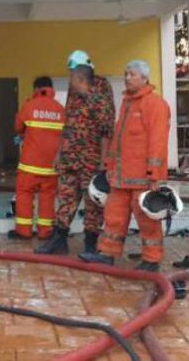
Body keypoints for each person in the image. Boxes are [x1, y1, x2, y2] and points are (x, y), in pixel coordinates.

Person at [79, 60, 171, 271]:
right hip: (119, 178)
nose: (127, 78)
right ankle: (107, 253)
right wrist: (108, 167)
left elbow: (158, 142)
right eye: (126, 73)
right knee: (113, 218)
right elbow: (118, 141)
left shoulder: (154, 104)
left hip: (141, 179)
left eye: (132, 74)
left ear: (145, 78)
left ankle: (152, 259)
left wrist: (155, 175)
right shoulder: (127, 104)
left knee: (147, 221)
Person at [36, 50, 115, 255]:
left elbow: (107, 130)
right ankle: (59, 239)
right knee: (65, 197)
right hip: (70, 156)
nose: (69, 78)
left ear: (82, 73)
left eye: (72, 73)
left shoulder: (101, 90)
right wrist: (58, 154)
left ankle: (91, 243)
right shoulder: (73, 90)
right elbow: (67, 122)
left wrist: (104, 163)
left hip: (91, 158)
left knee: (92, 203)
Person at [10, 76, 66, 240]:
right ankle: (45, 232)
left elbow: (18, 127)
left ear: (36, 89)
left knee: (24, 194)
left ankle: (24, 231)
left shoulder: (29, 106)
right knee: (48, 197)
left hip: (30, 165)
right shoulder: (60, 109)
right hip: (51, 166)